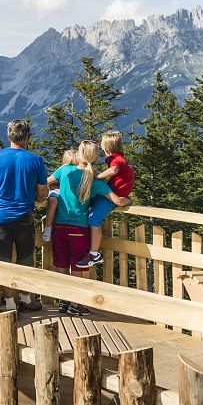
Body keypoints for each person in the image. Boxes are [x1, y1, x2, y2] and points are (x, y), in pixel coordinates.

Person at [0, 119, 48, 312]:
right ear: (28, 138)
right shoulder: (35, 160)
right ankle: (27, 299)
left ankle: (10, 304)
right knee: (26, 257)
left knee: (3, 259)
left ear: (9, 137)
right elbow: (43, 191)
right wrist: (37, 200)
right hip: (24, 216)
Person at [49, 140, 132, 315]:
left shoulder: (64, 171)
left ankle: (64, 302)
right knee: (77, 269)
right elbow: (117, 201)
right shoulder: (95, 181)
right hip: (79, 230)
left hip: (59, 227)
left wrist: (55, 192)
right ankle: (75, 304)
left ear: (79, 154)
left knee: (61, 266)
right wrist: (129, 201)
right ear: (95, 158)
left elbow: (46, 181)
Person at [75, 132, 135, 269]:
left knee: (94, 219)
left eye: (102, 145)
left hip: (113, 196)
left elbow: (114, 170)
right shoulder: (122, 158)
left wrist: (99, 176)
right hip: (115, 193)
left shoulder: (116, 160)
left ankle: (94, 254)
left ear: (107, 148)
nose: (100, 147)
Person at [42, 149, 77, 242]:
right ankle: (48, 227)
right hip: (58, 191)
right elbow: (47, 181)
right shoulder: (62, 169)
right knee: (53, 200)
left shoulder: (80, 171)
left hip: (70, 194)